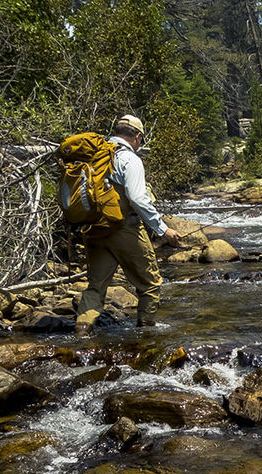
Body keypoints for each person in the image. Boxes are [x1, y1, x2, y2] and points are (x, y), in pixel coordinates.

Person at [74, 114, 181, 336]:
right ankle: (146, 339)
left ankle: (80, 339)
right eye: (141, 140)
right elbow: (137, 198)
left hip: (94, 229)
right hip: (124, 229)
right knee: (150, 284)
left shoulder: (94, 155)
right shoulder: (129, 159)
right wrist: (163, 229)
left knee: (95, 287)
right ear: (137, 136)